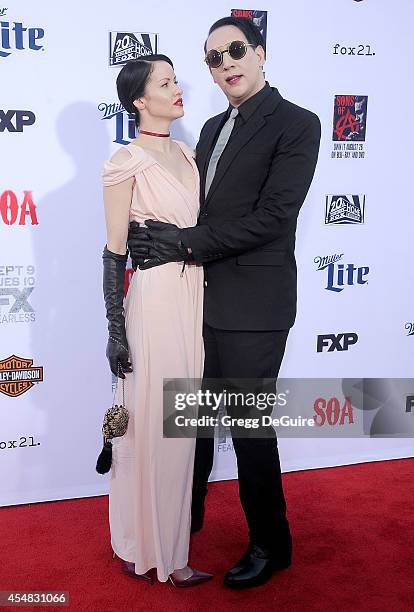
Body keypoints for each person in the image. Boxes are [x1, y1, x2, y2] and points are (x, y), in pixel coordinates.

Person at [127, 17, 321, 589]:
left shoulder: (297, 124)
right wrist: (155, 236)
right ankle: (180, 528)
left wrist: (183, 243)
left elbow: (273, 217)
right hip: (197, 299)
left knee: (248, 425)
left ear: (259, 53)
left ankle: (270, 542)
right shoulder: (209, 128)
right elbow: (197, 210)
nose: (226, 64)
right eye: (214, 59)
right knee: (193, 422)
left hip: (255, 306)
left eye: (236, 50)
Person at [101, 54, 212, 587]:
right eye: (165, 83)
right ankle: (145, 546)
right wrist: (114, 331)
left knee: (182, 425)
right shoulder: (125, 162)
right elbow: (113, 253)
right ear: (141, 101)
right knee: (151, 423)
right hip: (153, 300)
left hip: (194, 295)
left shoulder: (190, 157)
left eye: (175, 80)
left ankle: (167, 542)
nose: (177, 88)